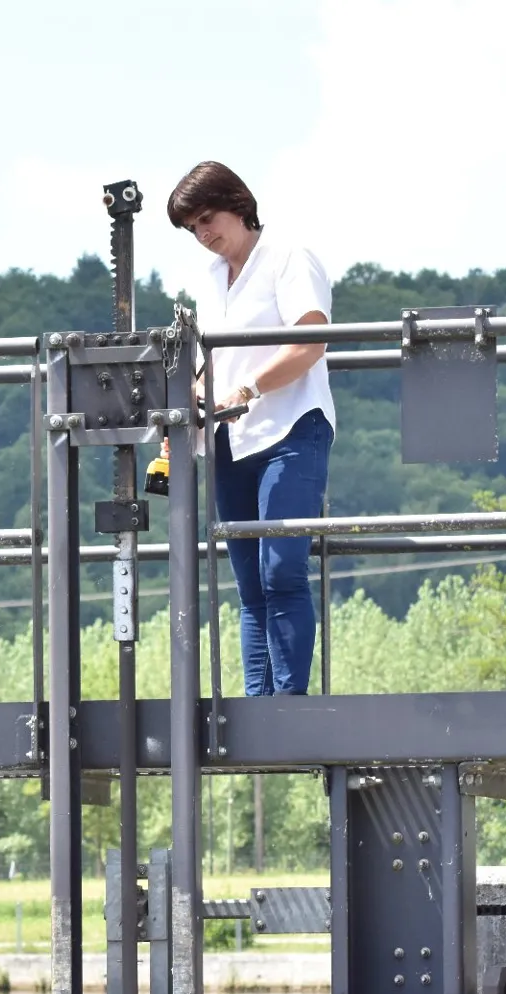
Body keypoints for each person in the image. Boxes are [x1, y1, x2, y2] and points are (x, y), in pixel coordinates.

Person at [168, 161, 334, 695]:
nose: (204, 233)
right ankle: (259, 703)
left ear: (238, 204)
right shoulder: (209, 279)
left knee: (281, 569)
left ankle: (287, 704)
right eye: (193, 227)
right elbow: (203, 360)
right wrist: (195, 388)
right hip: (229, 438)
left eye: (207, 218)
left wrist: (246, 390)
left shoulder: (288, 256)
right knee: (249, 583)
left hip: (290, 428)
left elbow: (310, 343)